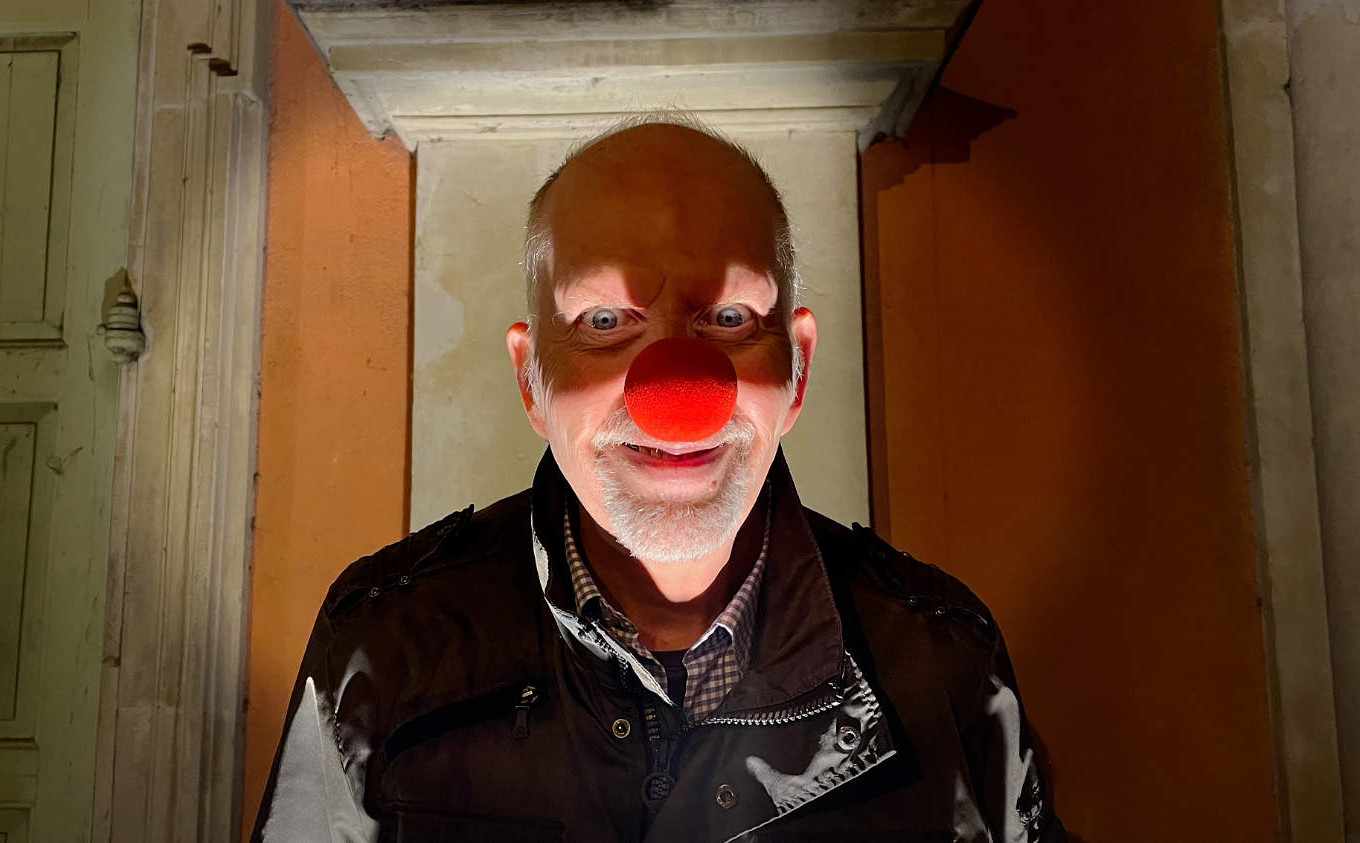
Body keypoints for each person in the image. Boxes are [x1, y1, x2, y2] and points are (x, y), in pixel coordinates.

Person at [251, 114, 1065, 842]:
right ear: (531, 379)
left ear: (798, 370)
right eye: (605, 321)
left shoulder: (945, 662)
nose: (677, 389)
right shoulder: (383, 649)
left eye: (730, 319)